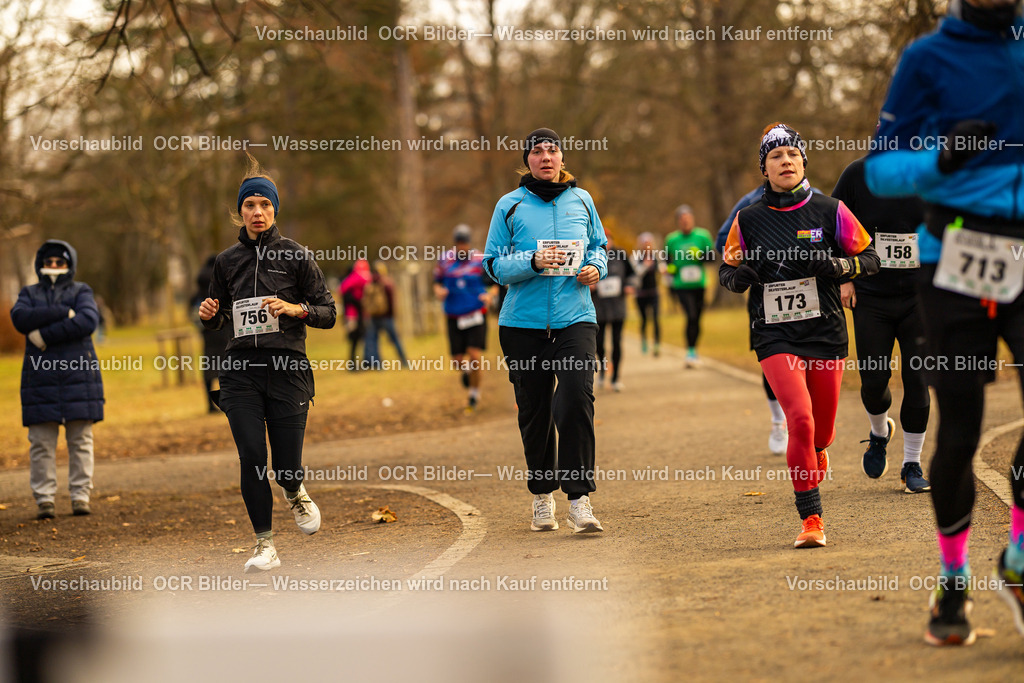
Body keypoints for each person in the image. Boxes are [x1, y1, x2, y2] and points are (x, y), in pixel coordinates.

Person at [865, 0, 1024, 647]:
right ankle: (952, 580)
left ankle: (1017, 556)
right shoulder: (927, 58)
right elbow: (881, 168)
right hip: (954, 258)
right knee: (960, 426)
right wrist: (940, 161)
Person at [720, 122, 879, 549]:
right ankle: (811, 519)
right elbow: (726, 269)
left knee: (821, 430)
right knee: (800, 419)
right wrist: (738, 279)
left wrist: (840, 268)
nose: (785, 161)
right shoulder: (748, 219)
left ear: (803, 162)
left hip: (825, 331)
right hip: (774, 335)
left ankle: (820, 448)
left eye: (791, 154)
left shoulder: (831, 210)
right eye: (775, 156)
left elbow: (871, 258)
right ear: (765, 169)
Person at [198, 155, 337, 572]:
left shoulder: (296, 256)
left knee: (285, 465)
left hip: (287, 370)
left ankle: (294, 489)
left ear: (275, 210)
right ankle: (264, 544)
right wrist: (211, 315)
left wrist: (296, 309)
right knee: (252, 456)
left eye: (265, 205)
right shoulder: (226, 262)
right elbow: (220, 319)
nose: (257, 213)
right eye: (249, 206)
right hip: (240, 372)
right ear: (239, 212)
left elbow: (328, 312)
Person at [483, 127, 608, 533]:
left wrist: (596, 268)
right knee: (534, 413)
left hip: (575, 317)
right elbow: (492, 266)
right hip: (522, 325)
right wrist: (531, 262)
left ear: (562, 159)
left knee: (575, 397)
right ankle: (542, 496)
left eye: (552, 150)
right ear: (528, 160)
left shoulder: (582, 199)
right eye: (538, 152)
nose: (546, 157)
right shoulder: (510, 205)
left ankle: (580, 500)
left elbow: (599, 246)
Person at [832, 156, 930, 493]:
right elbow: (835, 224)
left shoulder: (930, 172)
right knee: (874, 380)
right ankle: (879, 432)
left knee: (918, 377)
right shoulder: (857, 174)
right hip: (871, 297)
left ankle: (912, 464)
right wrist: (845, 276)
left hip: (919, 298)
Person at [10, 240, 104, 519]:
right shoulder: (28, 293)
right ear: (41, 263)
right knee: (40, 442)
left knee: (81, 440)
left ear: (69, 264)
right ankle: (44, 499)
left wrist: (42, 335)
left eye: (59, 262)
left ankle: (80, 496)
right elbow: (21, 319)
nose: (53, 266)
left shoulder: (82, 290)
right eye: (48, 262)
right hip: (39, 378)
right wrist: (64, 312)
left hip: (79, 376)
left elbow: (88, 321)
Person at [434, 224, 497, 412]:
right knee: (457, 359)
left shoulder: (480, 260)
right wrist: (439, 292)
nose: (462, 247)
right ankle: (467, 372)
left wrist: (490, 296)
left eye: (465, 243)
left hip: (476, 313)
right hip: (453, 314)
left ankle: (473, 395)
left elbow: (495, 284)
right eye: (459, 243)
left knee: (475, 355)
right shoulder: (445, 260)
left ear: (469, 243)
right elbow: (436, 282)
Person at [665, 205, 715, 366]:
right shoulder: (672, 239)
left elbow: (713, 257)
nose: (685, 222)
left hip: (699, 284)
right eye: (682, 219)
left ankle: (693, 349)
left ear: (692, 219)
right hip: (681, 285)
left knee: (697, 318)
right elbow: (667, 261)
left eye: (688, 218)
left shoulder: (702, 235)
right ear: (679, 222)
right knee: (691, 315)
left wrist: (700, 255)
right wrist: (671, 271)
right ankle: (690, 352)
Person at [591, 234, 636, 390]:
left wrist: (629, 285)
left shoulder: (621, 255)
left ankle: (616, 377)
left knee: (617, 342)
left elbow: (632, 275)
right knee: (599, 343)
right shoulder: (591, 255)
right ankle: (603, 371)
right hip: (598, 308)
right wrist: (589, 285)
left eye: (608, 239)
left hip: (618, 307)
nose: (606, 243)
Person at [193, 254, 232, 413]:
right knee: (227, 367)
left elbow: (194, 311)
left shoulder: (198, 289)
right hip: (223, 331)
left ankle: (209, 404)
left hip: (207, 333)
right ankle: (227, 401)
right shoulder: (222, 281)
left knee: (209, 368)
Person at [363, 261, 409, 368]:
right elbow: (392, 301)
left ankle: (377, 364)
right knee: (395, 339)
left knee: (373, 341)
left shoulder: (370, 283)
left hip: (374, 316)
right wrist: (393, 315)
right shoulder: (388, 283)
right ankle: (404, 361)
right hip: (387, 317)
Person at [634, 232, 662, 357]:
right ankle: (644, 340)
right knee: (644, 319)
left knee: (656, 319)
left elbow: (662, 269)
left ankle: (657, 344)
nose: (647, 246)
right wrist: (645, 265)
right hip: (641, 294)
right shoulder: (636, 257)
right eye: (645, 244)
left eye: (649, 243)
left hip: (654, 292)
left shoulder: (656, 256)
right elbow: (636, 273)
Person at [339, 260, 371, 369]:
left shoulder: (349, 280)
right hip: (353, 315)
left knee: (357, 339)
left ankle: (356, 363)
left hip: (354, 314)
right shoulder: (359, 278)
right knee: (355, 339)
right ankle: (353, 364)